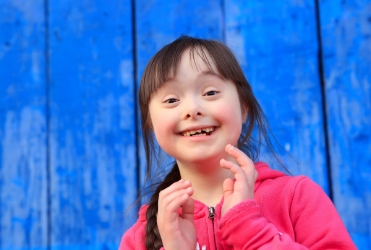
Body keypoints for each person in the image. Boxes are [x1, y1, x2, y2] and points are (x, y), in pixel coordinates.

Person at [119, 36, 356, 250]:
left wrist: (249, 229)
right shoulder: (140, 237)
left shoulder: (297, 198)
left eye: (210, 92)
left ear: (244, 108)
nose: (192, 109)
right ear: (150, 123)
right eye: (171, 100)